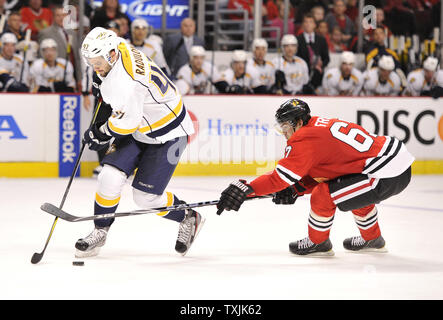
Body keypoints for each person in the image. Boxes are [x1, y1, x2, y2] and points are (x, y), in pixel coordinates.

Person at [216, 98, 414, 256]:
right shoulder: (317, 126)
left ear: (299, 122)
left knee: (323, 194)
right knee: (349, 192)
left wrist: (247, 188)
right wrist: (296, 188)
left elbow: (279, 179)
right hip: (393, 164)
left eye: (286, 127)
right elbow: (327, 171)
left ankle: (318, 243)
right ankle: (372, 239)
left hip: (386, 173)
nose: (284, 133)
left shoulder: (304, 139)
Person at [76, 27, 204, 258]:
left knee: (145, 198)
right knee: (109, 176)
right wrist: (100, 81)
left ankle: (188, 216)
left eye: (97, 62)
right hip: (143, 123)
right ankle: (100, 230)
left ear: (112, 54)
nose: (94, 66)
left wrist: (100, 132)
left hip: (168, 133)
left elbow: (125, 125)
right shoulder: (119, 46)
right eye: (90, 61)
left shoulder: (127, 83)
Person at [38, 5, 81, 89]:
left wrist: (79, 78)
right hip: (54, 77)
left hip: (72, 75)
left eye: (63, 15)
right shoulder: (46, 33)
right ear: (53, 17)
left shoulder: (72, 33)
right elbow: (41, 56)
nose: (61, 18)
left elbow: (77, 57)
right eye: (58, 15)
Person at [296, 13, 330, 90]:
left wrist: (320, 65)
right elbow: (296, 58)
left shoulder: (321, 40)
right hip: (301, 75)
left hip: (317, 76)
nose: (308, 24)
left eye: (310, 22)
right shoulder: (297, 40)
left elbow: (327, 58)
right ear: (302, 25)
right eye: (306, 22)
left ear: (315, 25)